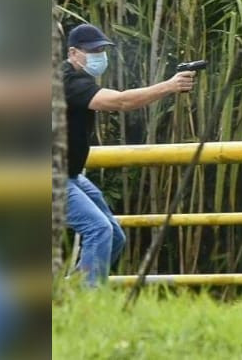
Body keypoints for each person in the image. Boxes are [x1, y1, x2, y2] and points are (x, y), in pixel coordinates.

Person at [63, 23, 196, 285]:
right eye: (92, 50)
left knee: (114, 235)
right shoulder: (67, 80)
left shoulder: (77, 79)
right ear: (72, 53)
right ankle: (89, 305)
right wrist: (169, 86)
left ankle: (70, 295)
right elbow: (120, 102)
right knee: (98, 229)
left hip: (70, 173)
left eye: (102, 49)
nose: (99, 55)